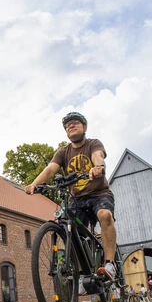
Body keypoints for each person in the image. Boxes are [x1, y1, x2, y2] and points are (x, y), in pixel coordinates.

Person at [25, 111, 119, 289]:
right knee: (70, 231)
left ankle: (110, 264)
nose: (71, 126)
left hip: (98, 194)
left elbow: (98, 156)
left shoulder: (93, 144)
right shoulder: (63, 152)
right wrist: (34, 184)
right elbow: (50, 170)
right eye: (67, 126)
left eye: (75, 123)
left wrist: (98, 166)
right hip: (77, 199)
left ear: (84, 127)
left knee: (105, 215)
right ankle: (84, 274)